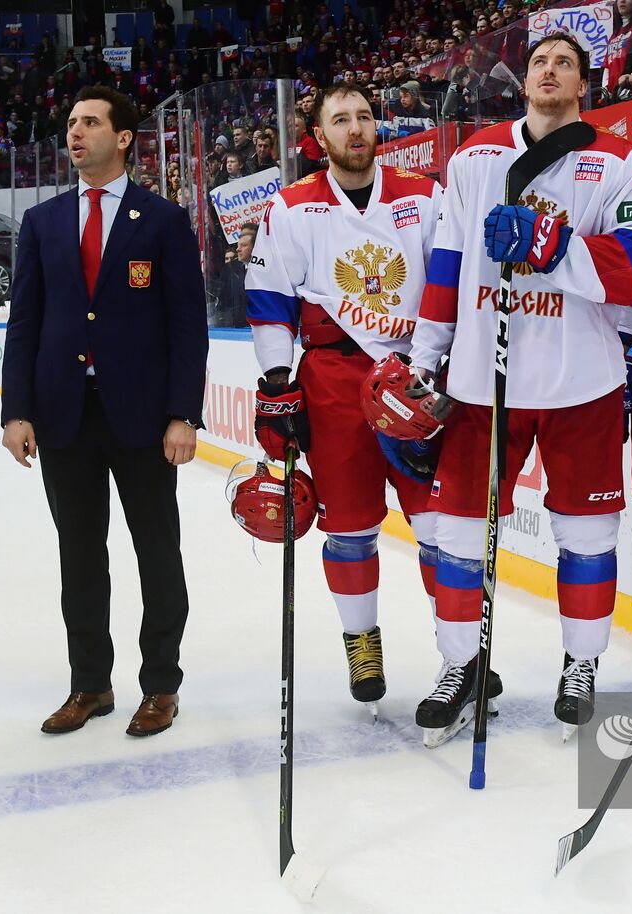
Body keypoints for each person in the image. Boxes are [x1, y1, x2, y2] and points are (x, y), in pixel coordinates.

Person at [408, 32, 632, 743]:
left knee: (587, 536)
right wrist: (427, 359)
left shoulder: (621, 162)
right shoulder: (474, 156)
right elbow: (449, 264)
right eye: (539, 63)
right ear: (523, 82)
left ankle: (580, 663)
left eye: (565, 65)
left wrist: (554, 248)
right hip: (481, 383)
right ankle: (461, 667)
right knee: (459, 534)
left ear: (585, 84)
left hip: (580, 379)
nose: (549, 71)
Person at [0, 85, 209, 739]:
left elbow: (188, 327)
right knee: (80, 556)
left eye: (90, 122)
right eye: (70, 123)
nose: (75, 132)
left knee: (157, 552)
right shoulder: (42, 222)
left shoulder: (165, 221)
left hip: (144, 418)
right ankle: (90, 683)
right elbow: (25, 323)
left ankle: (161, 686)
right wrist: (17, 411)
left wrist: (184, 414)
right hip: (64, 417)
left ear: (122, 138)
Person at [245, 84, 444, 717]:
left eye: (363, 117)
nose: (355, 129)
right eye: (341, 120)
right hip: (332, 385)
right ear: (320, 136)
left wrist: (444, 368)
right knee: (352, 529)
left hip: (417, 376)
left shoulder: (423, 195)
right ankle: (362, 645)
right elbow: (271, 303)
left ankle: (460, 655)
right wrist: (279, 384)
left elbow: (452, 281)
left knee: (443, 528)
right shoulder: (294, 207)